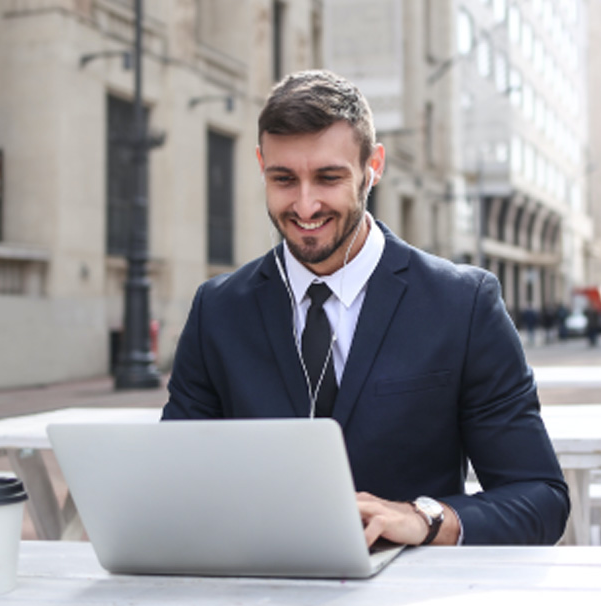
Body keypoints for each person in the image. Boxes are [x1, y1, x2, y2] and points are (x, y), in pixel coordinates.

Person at [162, 70, 569, 547]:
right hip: (258, 591)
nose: (306, 205)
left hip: (408, 601)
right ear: (260, 166)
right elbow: (176, 478)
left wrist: (426, 519)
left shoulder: (463, 305)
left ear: (373, 166)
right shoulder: (218, 309)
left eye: (329, 178)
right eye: (284, 179)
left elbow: (540, 497)